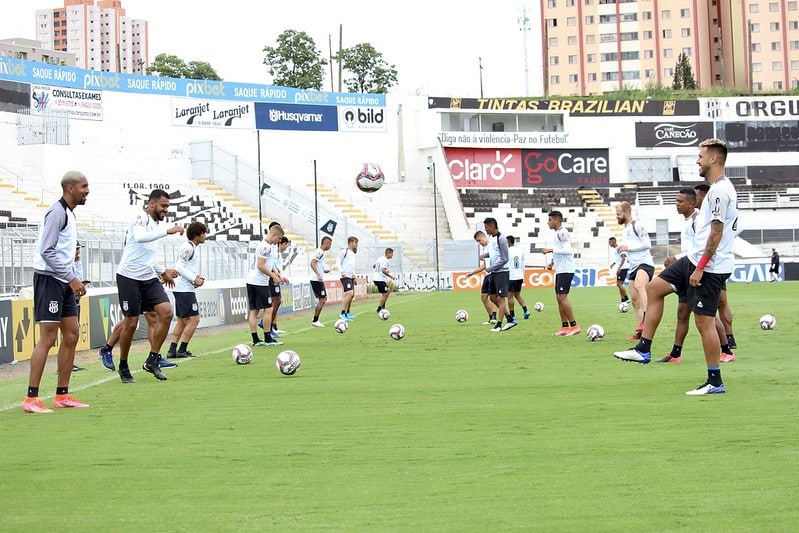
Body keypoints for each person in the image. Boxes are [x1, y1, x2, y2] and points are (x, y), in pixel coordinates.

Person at [615, 138, 738, 395]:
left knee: (704, 323)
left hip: (709, 266)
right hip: (693, 260)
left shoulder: (720, 191)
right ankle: (643, 349)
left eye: (700, 156)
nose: (697, 160)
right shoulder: (718, 188)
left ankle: (715, 381)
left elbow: (716, 232)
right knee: (654, 288)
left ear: (713, 158)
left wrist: (701, 267)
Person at [22, 170, 90, 413]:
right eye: (84, 187)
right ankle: (31, 398)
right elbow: (46, 251)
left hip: (63, 281)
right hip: (50, 280)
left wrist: (75, 276)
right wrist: (71, 277)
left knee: (71, 335)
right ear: (70, 188)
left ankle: (62, 394)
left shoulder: (69, 214)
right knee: (48, 337)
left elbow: (64, 252)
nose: (87, 191)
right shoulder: (56, 212)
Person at [657, 189, 736, 364]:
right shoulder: (689, 221)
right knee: (683, 313)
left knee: (706, 315)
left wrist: (677, 259)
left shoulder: (698, 219)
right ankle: (676, 354)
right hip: (690, 269)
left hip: (700, 269)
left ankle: (727, 350)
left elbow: (699, 247)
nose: (676, 204)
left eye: (680, 201)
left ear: (691, 203)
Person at [115, 189, 184, 383]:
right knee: (131, 324)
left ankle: (152, 360)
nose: (166, 210)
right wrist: (167, 231)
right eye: (163, 206)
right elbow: (139, 237)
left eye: (168, 206)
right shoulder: (141, 217)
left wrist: (162, 272)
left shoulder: (154, 224)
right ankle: (123, 364)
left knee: (167, 312)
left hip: (148, 278)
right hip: (128, 276)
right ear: (152, 204)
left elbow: (148, 256)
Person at [695, 182, 738, 351]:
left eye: (697, 196)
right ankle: (729, 339)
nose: (696, 199)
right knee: (721, 302)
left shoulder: (714, 209)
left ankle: (726, 343)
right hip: (718, 263)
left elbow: (716, 234)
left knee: (714, 308)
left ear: (705, 196)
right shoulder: (704, 215)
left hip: (713, 263)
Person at [166, 221, 208, 359]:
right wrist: (193, 279)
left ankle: (172, 350)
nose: (205, 236)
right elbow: (179, 266)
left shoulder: (191, 247)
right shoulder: (188, 247)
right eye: (203, 233)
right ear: (197, 235)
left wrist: (196, 278)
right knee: (194, 319)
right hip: (184, 289)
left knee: (182, 320)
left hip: (183, 288)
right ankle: (182, 349)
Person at [615, 201, 655, 340]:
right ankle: (642, 332)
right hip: (633, 266)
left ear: (626, 213)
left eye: (618, 214)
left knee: (639, 286)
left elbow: (647, 244)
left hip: (644, 264)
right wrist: (624, 251)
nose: (616, 217)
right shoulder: (626, 229)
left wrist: (628, 248)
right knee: (634, 300)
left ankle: (646, 319)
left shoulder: (636, 225)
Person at [542, 211, 580, 336]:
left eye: (550, 220)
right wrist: (552, 263)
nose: (548, 222)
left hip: (566, 269)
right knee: (559, 298)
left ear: (556, 221)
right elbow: (560, 251)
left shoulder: (563, 232)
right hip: (560, 269)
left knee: (562, 297)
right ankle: (564, 327)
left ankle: (574, 325)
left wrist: (551, 250)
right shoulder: (557, 233)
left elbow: (568, 250)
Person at [246, 225, 285, 347]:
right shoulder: (265, 247)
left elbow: (267, 264)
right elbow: (261, 265)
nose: (279, 241)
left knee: (254, 310)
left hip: (253, 281)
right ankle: (267, 337)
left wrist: (276, 273)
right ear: (273, 235)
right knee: (268, 308)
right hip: (259, 282)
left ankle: (256, 339)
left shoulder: (265, 246)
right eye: (278, 238)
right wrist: (273, 276)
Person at [482, 217, 515, 332]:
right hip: (494, 273)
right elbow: (493, 252)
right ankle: (510, 319)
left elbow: (505, 258)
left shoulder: (501, 239)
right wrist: (484, 255)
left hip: (502, 272)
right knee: (492, 298)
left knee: (501, 299)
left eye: (486, 227)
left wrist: (491, 268)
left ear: (492, 226)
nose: (485, 230)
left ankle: (499, 325)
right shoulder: (492, 238)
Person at [466, 230, 498, 325]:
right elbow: (484, 265)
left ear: (484, 237)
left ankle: (500, 316)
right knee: (484, 297)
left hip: (494, 273)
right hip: (487, 275)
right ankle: (491, 317)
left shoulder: (492, 245)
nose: (479, 243)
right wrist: (472, 273)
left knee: (493, 296)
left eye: (479, 240)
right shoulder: (485, 248)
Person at [71, 242, 89, 372]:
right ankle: (67, 364)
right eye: (76, 249)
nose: (78, 252)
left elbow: (79, 278)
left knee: (73, 331)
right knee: (70, 332)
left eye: (78, 249)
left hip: (76, 298)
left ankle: (70, 362)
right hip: (68, 299)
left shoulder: (78, 263)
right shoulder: (67, 264)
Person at [309, 236, 332, 327]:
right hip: (316, 280)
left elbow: (316, 263)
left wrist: (323, 271)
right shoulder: (320, 252)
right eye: (329, 244)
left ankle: (315, 318)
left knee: (323, 299)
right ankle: (315, 320)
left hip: (317, 279)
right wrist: (318, 274)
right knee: (322, 299)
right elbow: (312, 263)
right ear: (325, 243)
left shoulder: (320, 252)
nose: (330, 246)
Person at [506, 236, 530, 320]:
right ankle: (526, 310)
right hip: (519, 275)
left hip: (511, 276)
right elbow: (523, 264)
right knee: (517, 295)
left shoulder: (507, 251)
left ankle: (512, 315)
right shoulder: (520, 250)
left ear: (508, 242)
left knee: (510, 296)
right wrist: (522, 274)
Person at [337, 236, 359, 321]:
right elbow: (338, 261)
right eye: (355, 243)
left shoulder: (352, 253)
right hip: (345, 276)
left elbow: (351, 266)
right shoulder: (344, 251)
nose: (356, 245)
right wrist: (342, 271)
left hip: (350, 276)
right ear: (350, 242)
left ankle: (347, 312)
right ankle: (342, 313)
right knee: (349, 293)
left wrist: (354, 276)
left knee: (352, 294)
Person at [373, 247, 396, 313]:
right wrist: (391, 276)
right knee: (385, 293)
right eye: (392, 254)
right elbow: (383, 270)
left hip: (376, 278)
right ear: (389, 253)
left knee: (387, 291)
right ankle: (379, 309)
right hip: (379, 279)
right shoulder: (386, 260)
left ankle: (383, 306)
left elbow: (374, 266)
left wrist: (384, 270)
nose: (392, 255)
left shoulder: (380, 258)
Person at [608, 236, 629, 305]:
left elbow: (623, 258)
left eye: (610, 242)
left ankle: (626, 298)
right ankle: (623, 299)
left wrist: (619, 267)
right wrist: (613, 264)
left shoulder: (619, 248)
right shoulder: (616, 249)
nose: (609, 244)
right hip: (621, 267)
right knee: (619, 284)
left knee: (619, 284)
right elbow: (618, 259)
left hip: (623, 268)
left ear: (613, 242)